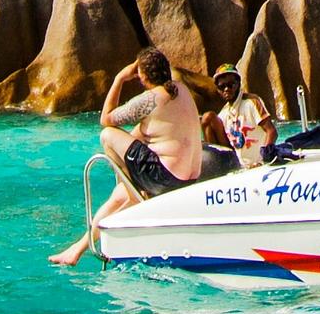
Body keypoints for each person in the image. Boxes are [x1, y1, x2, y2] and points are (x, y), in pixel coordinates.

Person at [51, 49, 210, 266]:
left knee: (107, 136)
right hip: (189, 178)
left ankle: (132, 192)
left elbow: (106, 120)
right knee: (118, 195)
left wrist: (119, 79)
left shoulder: (151, 98)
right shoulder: (181, 90)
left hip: (165, 178)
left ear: (142, 75)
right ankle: (77, 250)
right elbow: (141, 135)